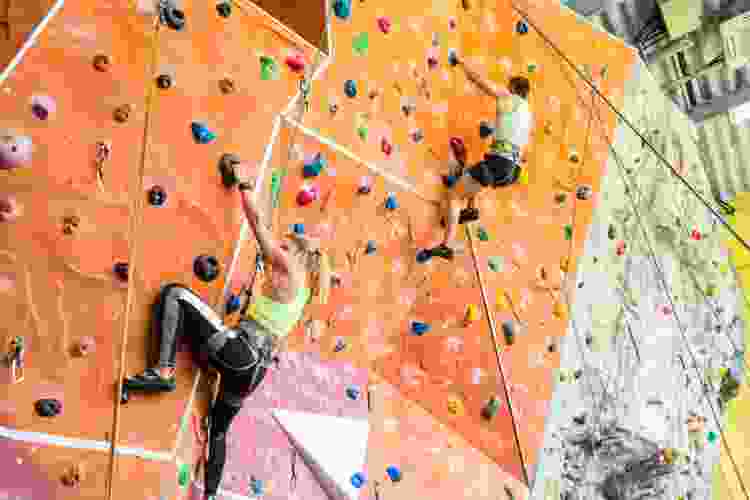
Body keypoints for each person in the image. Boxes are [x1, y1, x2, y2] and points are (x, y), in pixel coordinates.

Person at [122, 178, 331, 500]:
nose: (280, 251)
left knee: (175, 295)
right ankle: (210, 494)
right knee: (218, 430)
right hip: (253, 373)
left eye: (286, 247)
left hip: (241, 351)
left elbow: (258, 225)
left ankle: (163, 372)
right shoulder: (303, 291)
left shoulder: (290, 267)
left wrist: (245, 185)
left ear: (297, 255)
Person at [428, 54, 533, 260]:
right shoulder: (528, 112)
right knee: (476, 171)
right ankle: (471, 209)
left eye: (508, 86)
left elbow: (481, 81)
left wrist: (461, 62)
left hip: (499, 162)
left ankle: (446, 245)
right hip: (510, 169)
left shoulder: (509, 97)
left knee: (454, 196)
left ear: (513, 88)